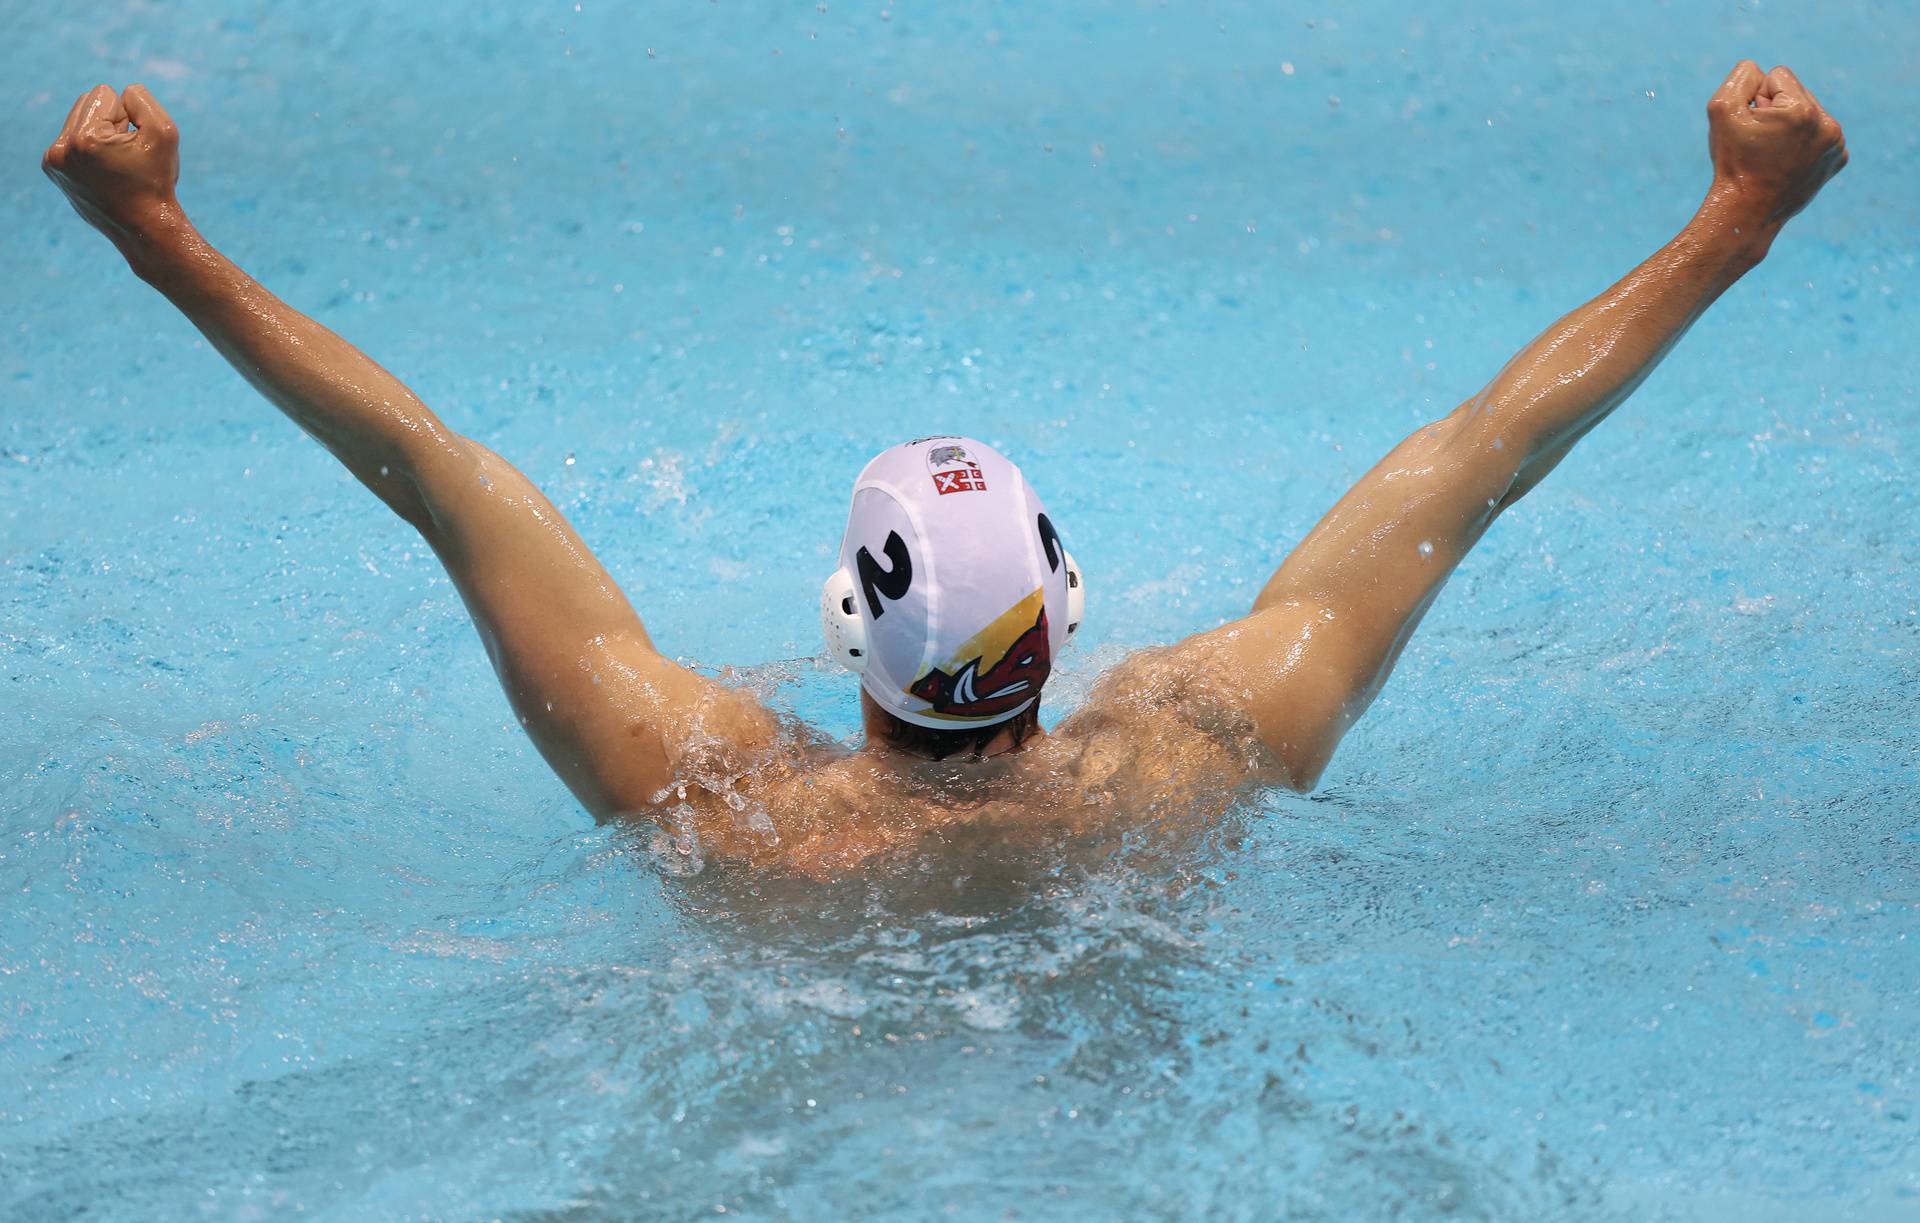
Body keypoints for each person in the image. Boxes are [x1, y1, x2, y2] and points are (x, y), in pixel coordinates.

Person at [42, 62, 1846, 879]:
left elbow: (430, 476)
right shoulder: (1197, 765)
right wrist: (1736, 218)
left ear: (849, 625)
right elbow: (1486, 457)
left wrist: (160, 238)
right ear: (1064, 613)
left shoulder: (726, 811)